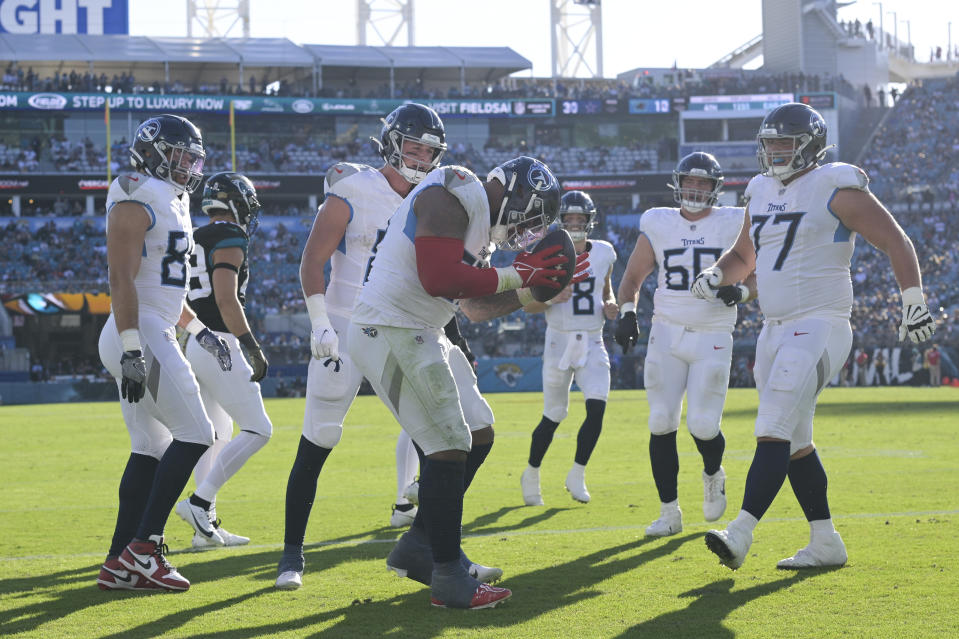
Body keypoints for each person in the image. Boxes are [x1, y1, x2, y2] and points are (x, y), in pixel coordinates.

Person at [694, 102, 935, 571]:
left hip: (821, 322)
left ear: (809, 145)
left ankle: (740, 535)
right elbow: (745, 255)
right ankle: (826, 542)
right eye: (770, 143)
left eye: (785, 142)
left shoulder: (835, 186)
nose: (775, 151)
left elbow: (894, 239)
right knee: (797, 439)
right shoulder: (760, 190)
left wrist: (913, 298)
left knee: (772, 428)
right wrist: (716, 273)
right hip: (774, 328)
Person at [347, 156, 586, 609]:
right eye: (532, 217)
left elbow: (474, 306)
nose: (529, 231)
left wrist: (530, 291)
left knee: (478, 432)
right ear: (516, 194)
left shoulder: (477, 225)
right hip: (391, 327)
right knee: (449, 443)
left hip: (423, 329)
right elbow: (437, 277)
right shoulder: (454, 192)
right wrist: (523, 274)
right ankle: (448, 577)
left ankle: (420, 546)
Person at [275, 104, 450, 591]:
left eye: (428, 150)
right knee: (319, 438)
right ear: (392, 142)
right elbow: (312, 261)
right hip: (346, 323)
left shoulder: (437, 198)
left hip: (401, 328)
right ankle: (292, 555)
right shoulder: (353, 188)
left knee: (438, 439)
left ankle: (430, 548)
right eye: (413, 146)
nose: (420, 156)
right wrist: (319, 324)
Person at [96, 114, 232, 592]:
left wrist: (198, 330)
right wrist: (133, 346)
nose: (190, 165)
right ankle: (145, 547)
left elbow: (165, 288)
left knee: (150, 448)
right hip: (140, 332)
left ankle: (117, 560)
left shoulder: (175, 199)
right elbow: (122, 280)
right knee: (198, 433)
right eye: (181, 155)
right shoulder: (134, 191)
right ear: (153, 151)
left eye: (194, 157)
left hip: (154, 326)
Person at [615, 152, 751, 538]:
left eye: (702, 183)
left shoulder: (733, 222)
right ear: (678, 184)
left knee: (704, 425)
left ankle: (712, 473)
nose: (694, 189)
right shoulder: (658, 222)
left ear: (715, 188)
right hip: (666, 332)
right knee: (661, 421)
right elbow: (633, 277)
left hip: (712, 333)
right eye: (689, 182)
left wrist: (739, 291)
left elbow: (754, 270)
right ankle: (669, 512)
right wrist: (628, 311)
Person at [174, 172, 272, 549]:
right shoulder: (231, 235)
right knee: (259, 429)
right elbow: (226, 298)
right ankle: (199, 503)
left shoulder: (194, 237)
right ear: (237, 203)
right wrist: (251, 345)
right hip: (222, 343)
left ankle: (206, 526)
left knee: (217, 436)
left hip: (196, 339)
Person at [519, 190, 618, 506]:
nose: (575, 224)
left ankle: (577, 472)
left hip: (593, 339)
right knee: (554, 414)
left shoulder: (604, 252)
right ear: (561, 221)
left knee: (597, 407)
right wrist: (548, 298)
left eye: (580, 218)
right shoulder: (546, 253)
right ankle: (532, 472)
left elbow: (606, 288)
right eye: (570, 218)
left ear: (590, 221)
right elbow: (527, 307)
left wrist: (611, 303)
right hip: (558, 340)